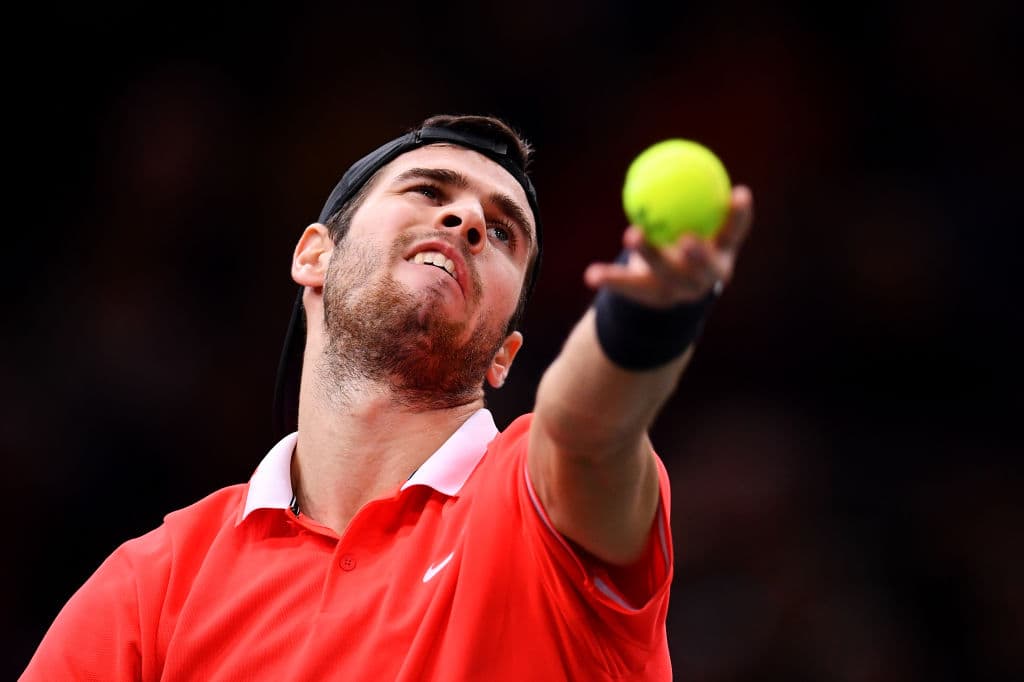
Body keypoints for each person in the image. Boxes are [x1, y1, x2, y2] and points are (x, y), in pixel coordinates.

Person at [22, 114, 753, 681]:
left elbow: (588, 430)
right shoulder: (154, 584)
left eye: (502, 231)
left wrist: (644, 321)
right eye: (429, 191)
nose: (466, 221)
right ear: (315, 254)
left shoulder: (537, 506)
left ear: (505, 356)